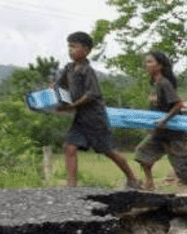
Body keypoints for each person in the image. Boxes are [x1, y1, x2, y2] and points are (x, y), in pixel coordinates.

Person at [54, 32, 140, 188]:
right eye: (69, 46)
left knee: (108, 150)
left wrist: (72, 106)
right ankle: (71, 187)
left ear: (87, 50)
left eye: (74, 46)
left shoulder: (87, 70)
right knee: (70, 147)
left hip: (95, 117)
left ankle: (132, 178)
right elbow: (59, 86)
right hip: (80, 118)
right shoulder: (69, 68)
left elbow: (91, 94)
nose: (70, 50)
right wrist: (53, 100)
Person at [134, 51, 187, 195]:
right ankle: (150, 183)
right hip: (158, 133)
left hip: (174, 134)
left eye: (150, 62)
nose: (146, 65)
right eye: (146, 62)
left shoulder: (164, 83)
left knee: (182, 171)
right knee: (141, 153)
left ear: (160, 66)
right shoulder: (154, 84)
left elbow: (178, 105)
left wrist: (164, 119)